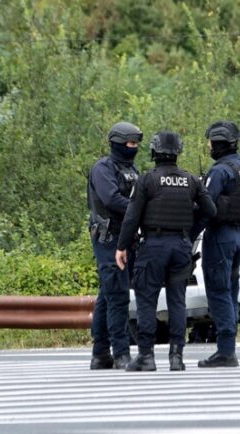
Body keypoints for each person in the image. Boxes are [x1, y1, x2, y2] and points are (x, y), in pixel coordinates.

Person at [115, 131, 216, 372]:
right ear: (177, 153)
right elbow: (210, 210)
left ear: (154, 152)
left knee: (147, 299)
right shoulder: (191, 180)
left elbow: (131, 217)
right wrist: (188, 233)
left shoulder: (147, 180)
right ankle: (176, 357)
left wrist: (121, 246)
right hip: (181, 247)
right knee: (177, 301)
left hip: (153, 246)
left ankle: (147, 357)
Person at [193, 120, 240, 368]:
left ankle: (225, 350)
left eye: (210, 142)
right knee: (230, 289)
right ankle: (228, 347)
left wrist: (188, 238)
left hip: (221, 236)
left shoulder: (220, 171)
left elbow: (206, 208)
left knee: (219, 291)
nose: (209, 146)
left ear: (218, 144)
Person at [87, 121, 142, 370]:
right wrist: (141, 209)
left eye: (137, 144)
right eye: (131, 144)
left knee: (108, 295)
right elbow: (111, 199)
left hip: (127, 238)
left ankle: (100, 353)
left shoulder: (133, 170)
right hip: (108, 238)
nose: (134, 148)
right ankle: (121, 353)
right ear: (118, 143)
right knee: (117, 295)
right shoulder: (103, 168)